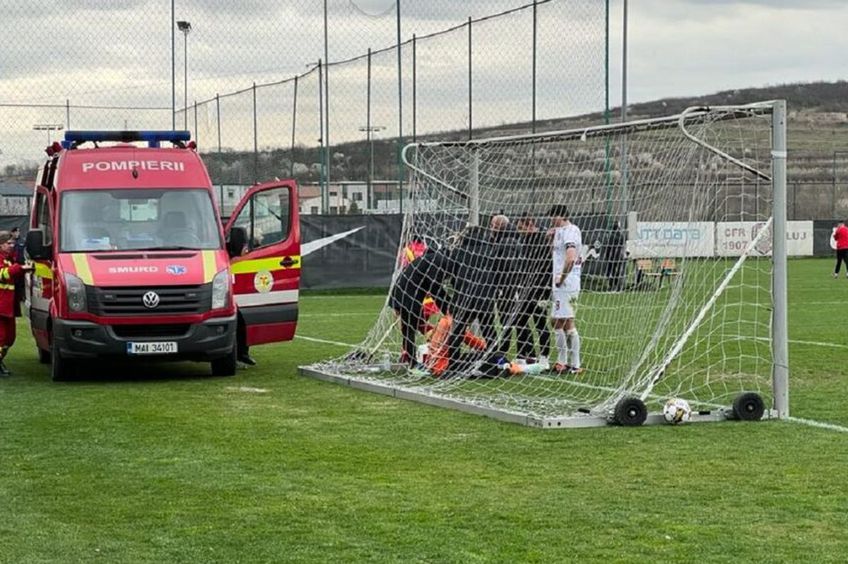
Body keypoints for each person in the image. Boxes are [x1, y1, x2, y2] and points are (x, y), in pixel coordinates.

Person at [389, 245, 453, 366]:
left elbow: (433, 287)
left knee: (412, 327)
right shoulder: (439, 261)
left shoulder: (430, 259)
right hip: (408, 295)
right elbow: (435, 288)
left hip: (402, 292)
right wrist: (448, 309)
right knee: (410, 328)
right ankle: (412, 363)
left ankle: (409, 358)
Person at [548, 205, 584, 375]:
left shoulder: (570, 231)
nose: (551, 221)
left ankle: (568, 362)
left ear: (561, 216)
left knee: (561, 321)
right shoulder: (561, 231)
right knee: (561, 321)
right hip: (564, 283)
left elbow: (570, 258)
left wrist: (561, 278)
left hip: (566, 284)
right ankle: (570, 363)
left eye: (553, 217)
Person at [0, 231, 33, 376]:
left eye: (13, 243)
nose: (12, 246)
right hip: (1, 305)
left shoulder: (9, 259)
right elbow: (2, 274)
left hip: (9, 306)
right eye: (8, 243)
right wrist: (19, 268)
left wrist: (24, 269)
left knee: (10, 338)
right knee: (1, 338)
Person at [602, 221, 627, 291]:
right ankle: (617, 286)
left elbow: (609, 247)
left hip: (612, 256)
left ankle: (612, 286)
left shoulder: (612, 236)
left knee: (612, 271)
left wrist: (607, 256)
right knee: (618, 271)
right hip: (619, 256)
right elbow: (623, 245)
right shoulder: (621, 235)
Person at [9, 227, 26, 318]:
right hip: (13, 266)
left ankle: (22, 297)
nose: (18, 233)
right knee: (16, 283)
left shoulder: (22, 241)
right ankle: (17, 298)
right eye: (16, 231)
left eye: (19, 231)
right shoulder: (10, 242)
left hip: (22, 265)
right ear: (12, 233)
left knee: (22, 283)